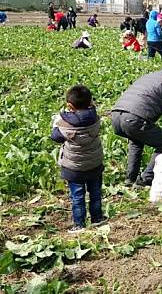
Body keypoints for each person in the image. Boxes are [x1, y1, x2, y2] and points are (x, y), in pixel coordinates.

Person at [111, 65, 162, 186]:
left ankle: (130, 179)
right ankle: (146, 178)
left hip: (116, 115)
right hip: (135, 118)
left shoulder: (149, 76)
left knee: (136, 142)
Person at [51, 85, 105, 232]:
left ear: (69, 105)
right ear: (91, 103)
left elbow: (55, 137)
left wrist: (57, 121)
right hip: (95, 164)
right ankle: (97, 219)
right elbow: (90, 111)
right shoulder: (95, 118)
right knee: (95, 193)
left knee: (77, 196)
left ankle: (79, 225)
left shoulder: (65, 124)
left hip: (74, 169)